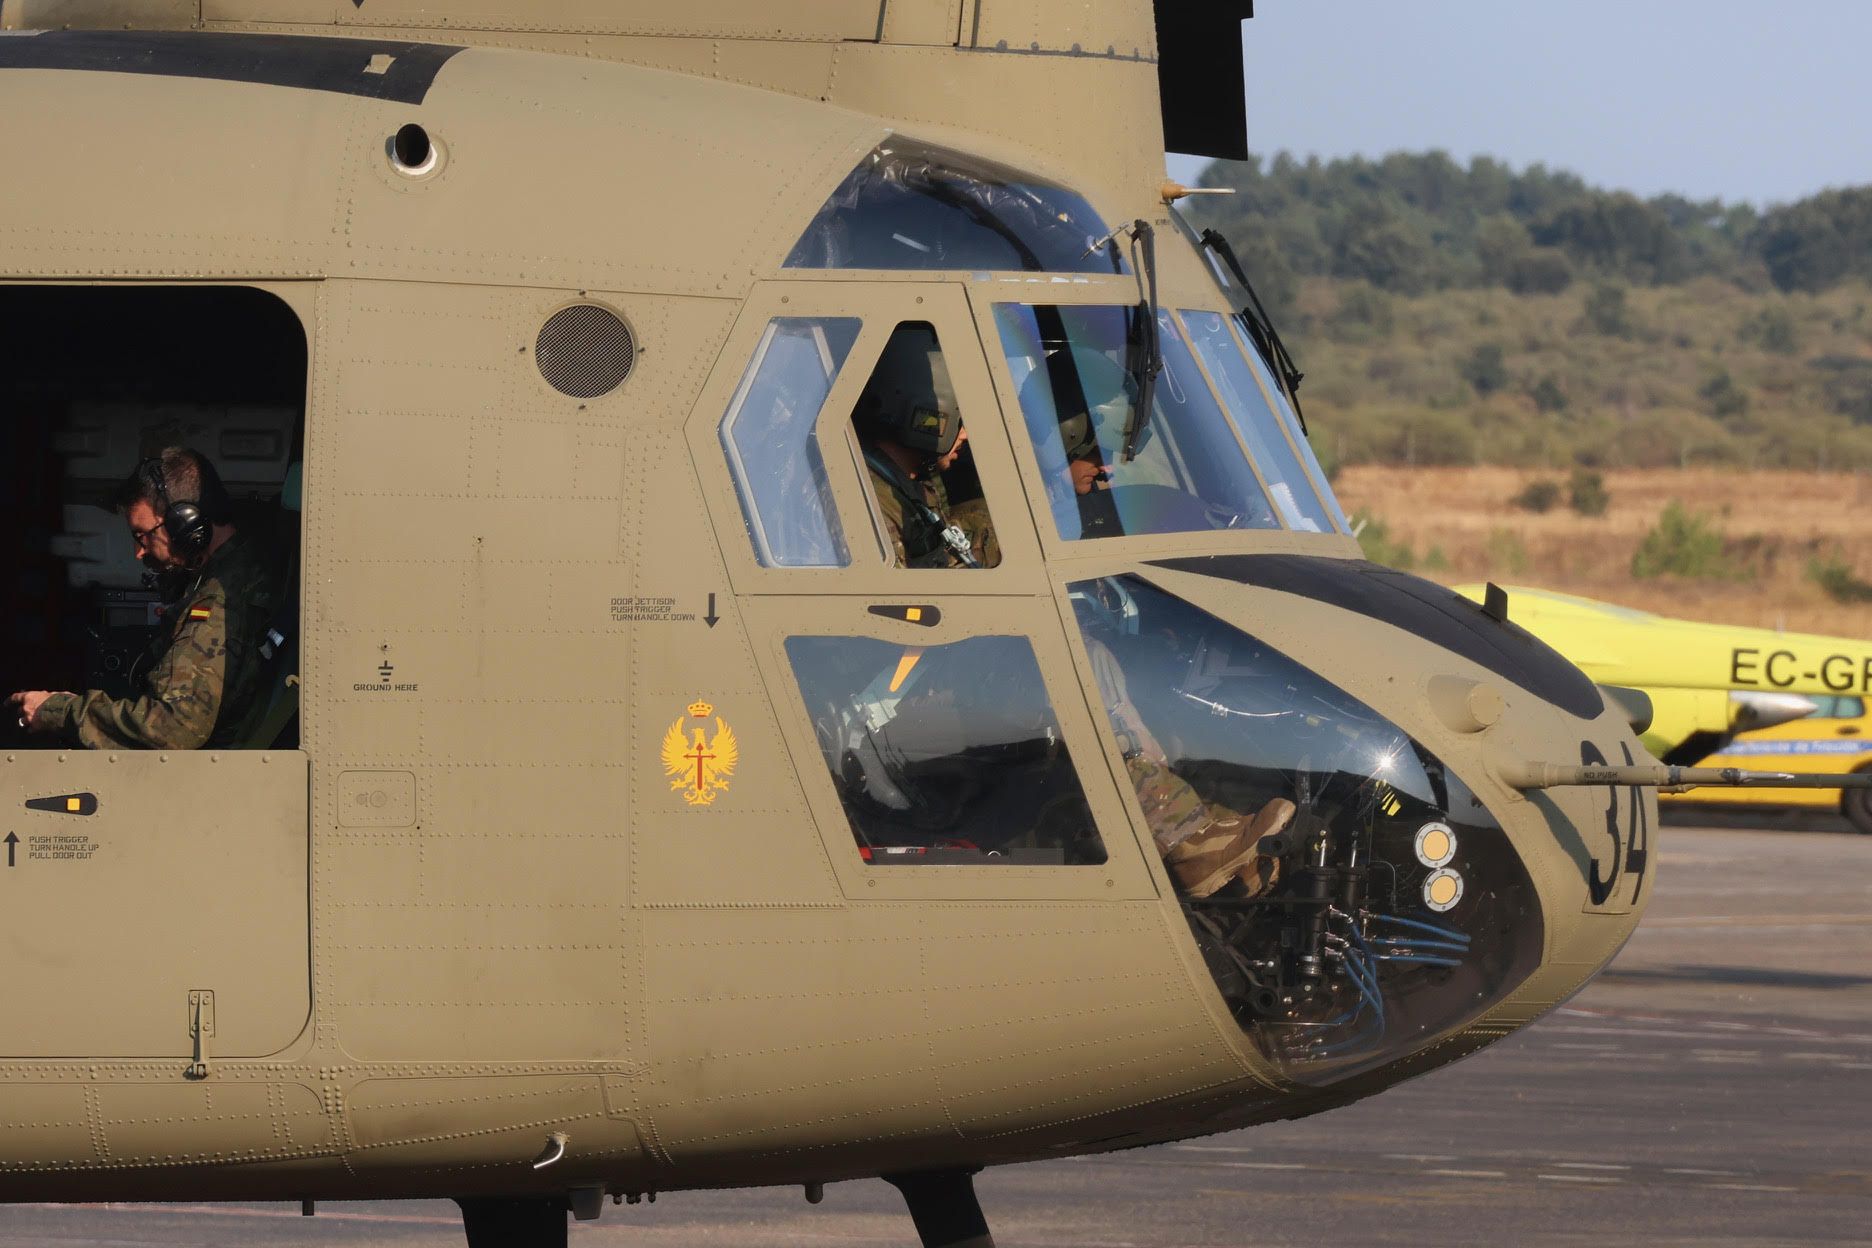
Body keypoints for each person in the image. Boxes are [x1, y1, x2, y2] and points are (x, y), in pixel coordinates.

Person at [7, 447, 284, 750]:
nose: (139, 552)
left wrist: (59, 712)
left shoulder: (219, 601)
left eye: (144, 535)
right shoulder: (241, 566)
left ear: (185, 523)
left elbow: (173, 727)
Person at [855, 324, 999, 568]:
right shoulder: (870, 502)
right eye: (960, 420)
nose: (965, 435)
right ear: (928, 415)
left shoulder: (905, 487)